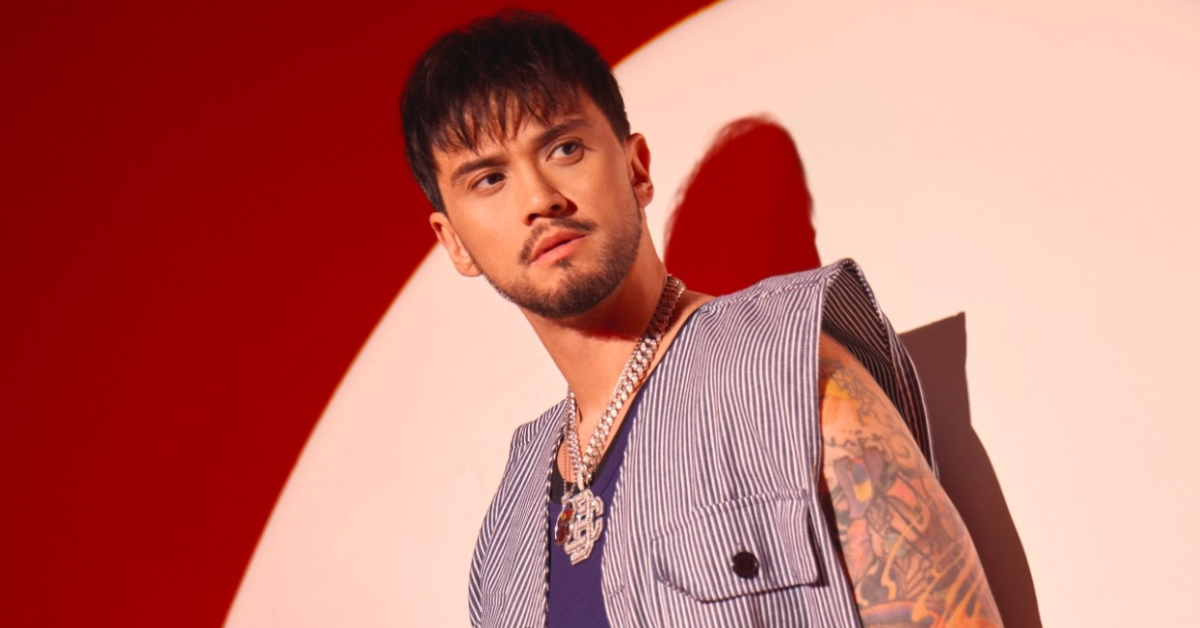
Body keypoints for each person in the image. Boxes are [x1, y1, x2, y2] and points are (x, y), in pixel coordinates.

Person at [400, 9, 1003, 628]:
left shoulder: (786, 374)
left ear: (636, 169)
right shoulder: (507, 532)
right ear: (455, 244)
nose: (539, 198)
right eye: (489, 179)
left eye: (564, 148)